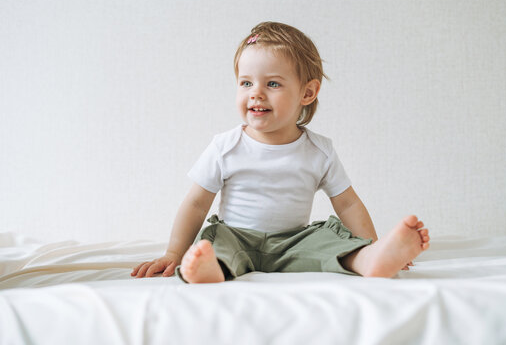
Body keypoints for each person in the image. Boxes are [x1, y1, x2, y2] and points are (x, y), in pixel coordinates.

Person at [131, 22, 430, 283]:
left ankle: (370, 258)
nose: (256, 93)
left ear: (307, 93)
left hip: (294, 242)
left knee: (327, 239)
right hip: (238, 237)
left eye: (272, 83)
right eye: (246, 83)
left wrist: (372, 242)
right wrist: (173, 252)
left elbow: (348, 204)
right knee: (217, 242)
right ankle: (214, 268)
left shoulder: (319, 150)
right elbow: (196, 204)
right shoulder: (226, 146)